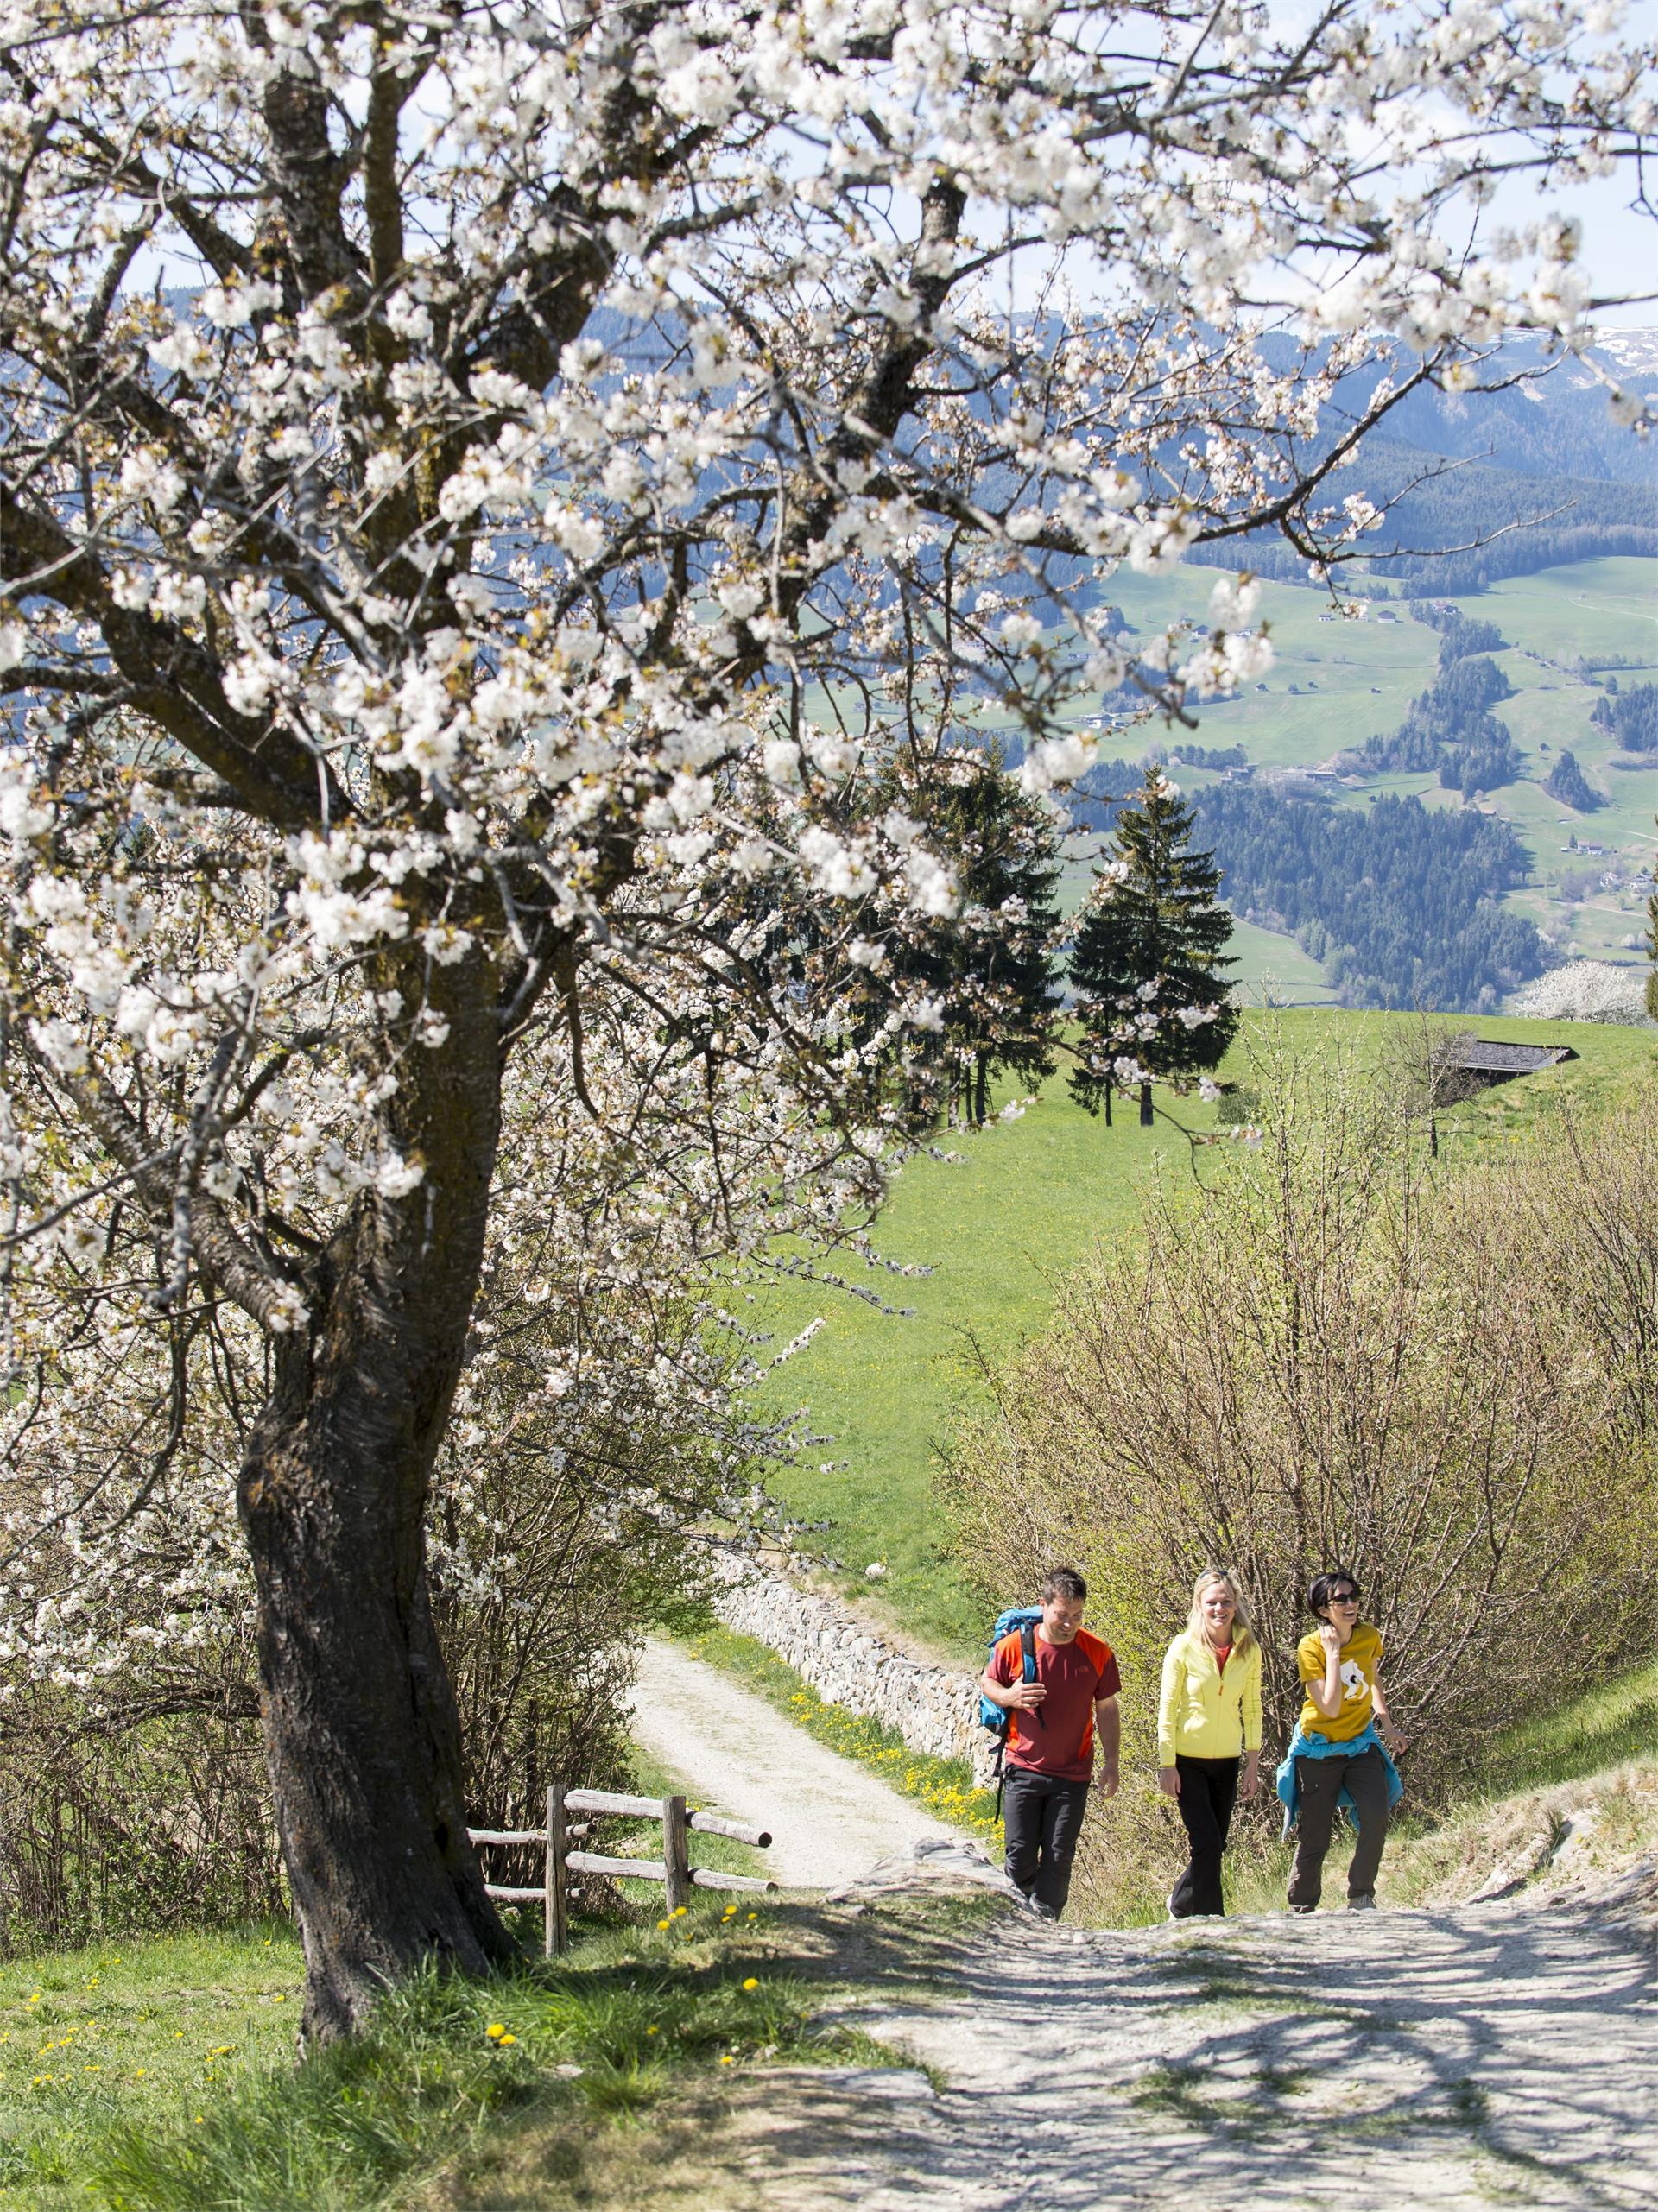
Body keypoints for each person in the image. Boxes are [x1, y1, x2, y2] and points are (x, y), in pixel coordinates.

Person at [978, 1564, 1120, 1918]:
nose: (1070, 1623)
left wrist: (1112, 1764)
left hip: (1072, 1774)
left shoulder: (1098, 1653)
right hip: (1023, 1766)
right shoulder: (1015, 1646)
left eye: (1077, 1615)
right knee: (1020, 1853)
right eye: (1062, 1615)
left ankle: (1046, 1925)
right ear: (1043, 1606)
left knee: (1059, 1857)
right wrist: (1010, 1697)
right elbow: (988, 1683)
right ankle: (1017, 1915)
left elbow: (1106, 1709)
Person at [1278, 1569, 1406, 1914]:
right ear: (1323, 1609)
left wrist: (1387, 1725)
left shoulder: (1369, 1636)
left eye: (1354, 1596)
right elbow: (1330, 1707)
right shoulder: (1310, 1646)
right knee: (1316, 1834)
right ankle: (1302, 1904)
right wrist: (1333, 1654)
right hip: (1319, 1748)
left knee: (1376, 1812)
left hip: (1359, 1745)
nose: (1351, 1604)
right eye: (1340, 1599)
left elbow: (1372, 1676)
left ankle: (1361, 1894)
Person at [1156, 1567, 1262, 1918]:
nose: (1220, 1609)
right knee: (1206, 1842)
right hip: (1188, 1761)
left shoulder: (1248, 1649)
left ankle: (1182, 1903)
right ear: (1199, 1604)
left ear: (1236, 1604)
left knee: (1216, 1845)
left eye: (1226, 1602)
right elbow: (1168, 1707)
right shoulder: (1183, 1647)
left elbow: (1253, 1706)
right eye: (1212, 1602)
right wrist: (1166, 1764)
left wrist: (1252, 1762)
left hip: (1228, 1760)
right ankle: (1212, 1921)